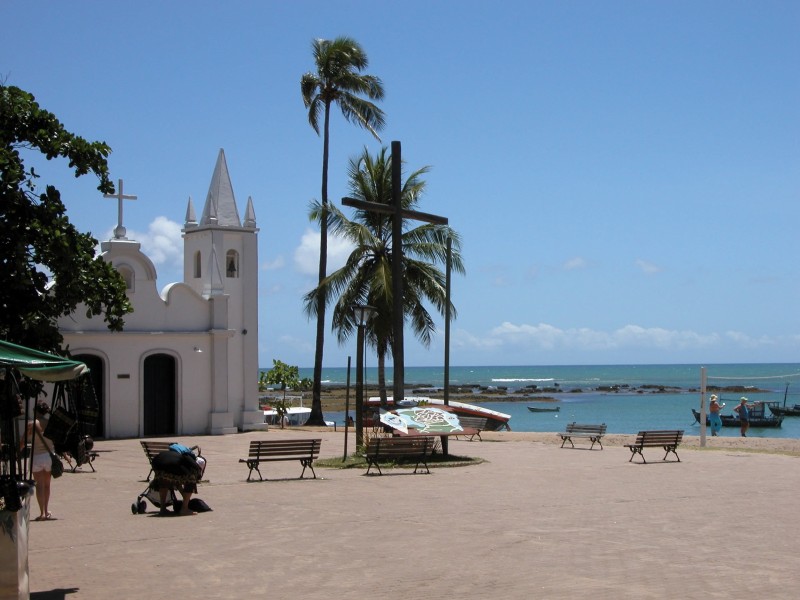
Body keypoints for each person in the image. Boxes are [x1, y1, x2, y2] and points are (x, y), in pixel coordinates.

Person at [149, 444, 203, 516]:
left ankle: (162, 509)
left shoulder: (172, 454)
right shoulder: (186, 455)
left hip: (157, 464)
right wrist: (198, 474)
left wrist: (182, 491)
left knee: (164, 480)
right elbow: (195, 467)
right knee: (191, 479)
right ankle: (184, 509)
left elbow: (177, 480)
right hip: (171, 465)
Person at [24, 400, 56, 521]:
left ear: (36, 411)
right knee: (47, 485)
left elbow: (23, 441)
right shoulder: (50, 423)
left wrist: (18, 449)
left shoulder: (32, 424)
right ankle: (47, 511)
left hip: (36, 456)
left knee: (39, 486)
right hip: (49, 456)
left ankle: (41, 512)